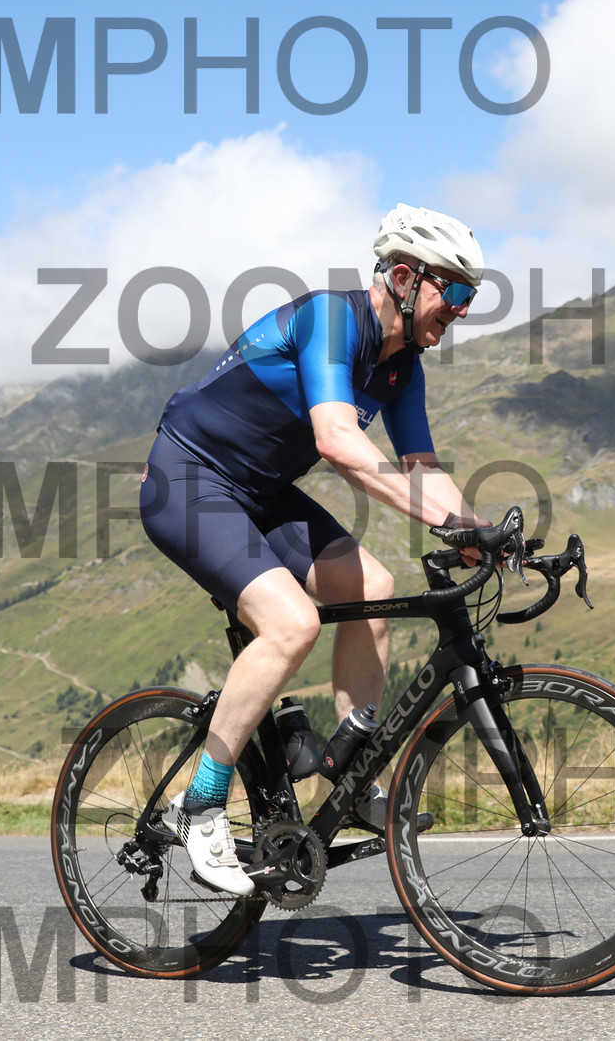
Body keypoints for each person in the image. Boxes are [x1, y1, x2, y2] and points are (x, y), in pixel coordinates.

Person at [139, 204, 489, 894]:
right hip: (188, 480)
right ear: (402, 277)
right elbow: (336, 440)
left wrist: (484, 534)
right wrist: (443, 520)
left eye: (471, 295)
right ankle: (199, 806)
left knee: (373, 588)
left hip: (260, 494)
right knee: (292, 623)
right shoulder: (331, 318)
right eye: (452, 289)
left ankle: (349, 781)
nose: (462, 309)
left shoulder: (402, 368)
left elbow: (422, 467)